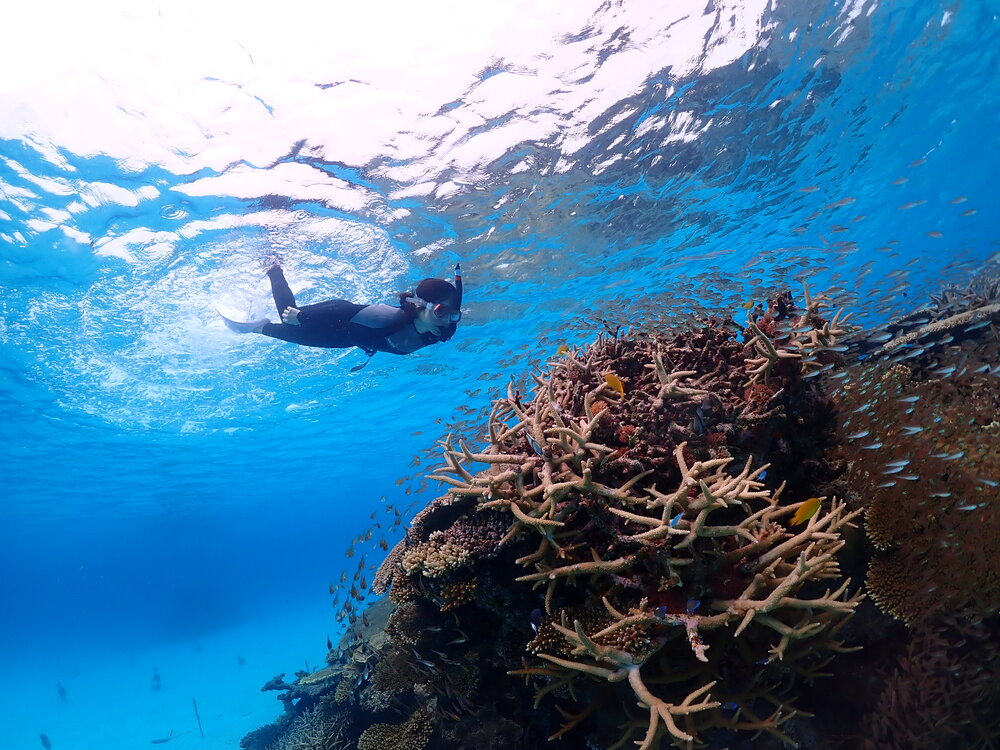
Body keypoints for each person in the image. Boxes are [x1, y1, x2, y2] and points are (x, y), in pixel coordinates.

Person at [220, 262, 463, 369]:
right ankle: (273, 268)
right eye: (441, 312)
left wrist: (449, 314)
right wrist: (303, 317)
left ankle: (256, 327)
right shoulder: (387, 317)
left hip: (347, 339)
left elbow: (449, 317)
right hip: (337, 321)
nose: (447, 320)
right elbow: (340, 309)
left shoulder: (443, 330)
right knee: (288, 320)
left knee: (278, 330)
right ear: (420, 306)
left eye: (454, 315)